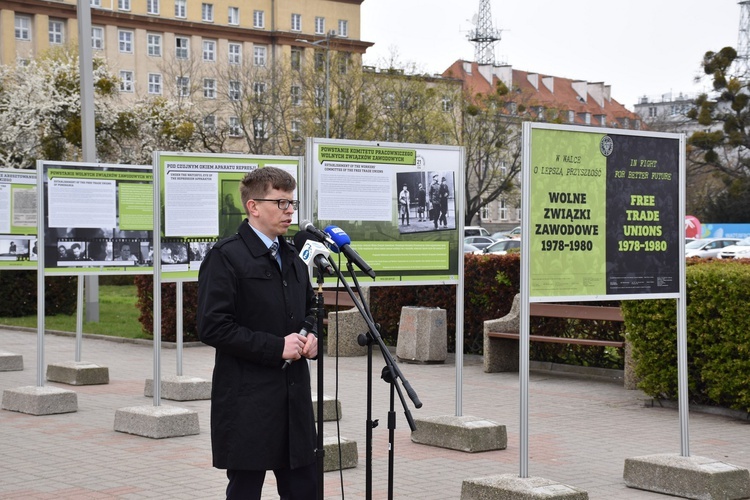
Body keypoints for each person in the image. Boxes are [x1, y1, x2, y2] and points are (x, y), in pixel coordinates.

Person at [197, 167, 318, 500]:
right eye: (281, 202)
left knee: (306, 489)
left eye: (291, 203)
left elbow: (311, 309)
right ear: (253, 206)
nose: (290, 211)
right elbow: (213, 326)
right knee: (246, 491)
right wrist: (275, 346)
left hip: (294, 399)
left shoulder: (292, 257)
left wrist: (311, 335)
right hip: (248, 400)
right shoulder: (226, 257)